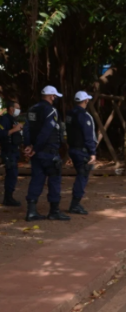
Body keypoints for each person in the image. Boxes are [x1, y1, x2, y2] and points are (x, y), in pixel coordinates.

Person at [23, 85, 70, 221]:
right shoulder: (51, 111)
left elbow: (26, 129)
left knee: (37, 179)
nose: (55, 98)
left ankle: (31, 212)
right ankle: (54, 211)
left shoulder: (32, 109)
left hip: (36, 153)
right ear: (51, 96)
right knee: (54, 180)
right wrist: (35, 148)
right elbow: (46, 132)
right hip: (48, 152)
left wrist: (28, 146)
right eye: (54, 96)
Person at [65, 91, 97, 215]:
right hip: (82, 151)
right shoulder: (84, 116)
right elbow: (88, 136)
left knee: (80, 174)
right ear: (86, 101)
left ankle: (75, 203)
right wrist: (92, 152)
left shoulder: (69, 114)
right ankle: (75, 204)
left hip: (72, 149)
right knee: (82, 176)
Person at [0, 100, 23, 206]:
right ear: (11, 108)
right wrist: (14, 130)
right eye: (17, 108)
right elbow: (1, 134)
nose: (18, 110)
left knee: (13, 174)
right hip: (8, 151)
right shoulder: (4, 119)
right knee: (11, 174)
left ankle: (9, 197)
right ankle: (8, 198)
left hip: (14, 151)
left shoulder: (14, 120)